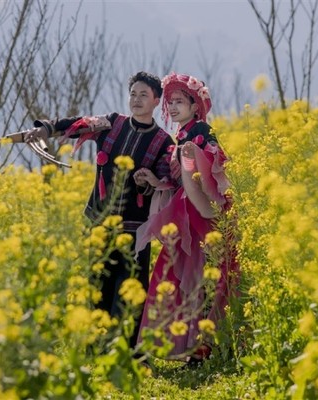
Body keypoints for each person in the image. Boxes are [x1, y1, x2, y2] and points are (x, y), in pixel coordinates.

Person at [25, 71, 175, 350]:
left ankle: (127, 353)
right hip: (97, 225)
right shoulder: (111, 124)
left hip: (135, 232)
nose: (137, 99)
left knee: (131, 294)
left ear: (156, 100)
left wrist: (148, 183)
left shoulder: (164, 142)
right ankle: (94, 348)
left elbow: (165, 182)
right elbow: (77, 125)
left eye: (144, 95)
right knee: (97, 288)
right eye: (133, 94)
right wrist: (44, 129)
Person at [132, 72, 239, 367]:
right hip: (183, 216)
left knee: (202, 279)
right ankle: (171, 347)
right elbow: (179, 181)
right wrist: (155, 179)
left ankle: (200, 349)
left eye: (180, 102)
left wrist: (193, 156)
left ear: (195, 106)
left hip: (201, 219)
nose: (174, 107)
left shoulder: (202, 131)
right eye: (171, 102)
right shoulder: (182, 136)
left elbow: (216, 173)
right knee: (176, 278)